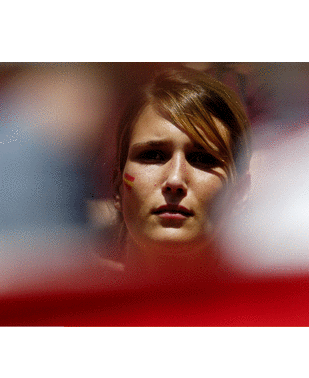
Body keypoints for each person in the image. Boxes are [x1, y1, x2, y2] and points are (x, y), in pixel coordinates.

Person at [91, 66, 252, 285]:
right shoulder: (66, 298)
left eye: (202, 159)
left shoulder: (276, 303)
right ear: (117, 184)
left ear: (240, 192)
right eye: (153, 155)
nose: (175, 180)